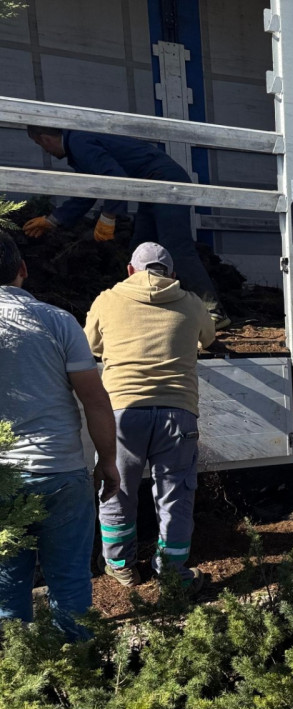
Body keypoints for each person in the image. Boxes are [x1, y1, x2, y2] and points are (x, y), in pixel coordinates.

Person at [0, 234, 119, 638]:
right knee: (70, 582)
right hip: (60, 471)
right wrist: (107, 460)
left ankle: (19, 680)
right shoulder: (58, 321)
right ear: (23, 270)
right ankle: (78, 671)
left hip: (3, 478)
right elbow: (95, 401)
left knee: (7, 587)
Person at [85, 242, 215, 592]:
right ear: (171, 274)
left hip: (121, 415)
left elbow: (91, 346)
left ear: (131, 271)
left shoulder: (107, 300)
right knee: (175, 495)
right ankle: (172, 573)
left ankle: (121, 567)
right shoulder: (191, 302)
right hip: (178, 414)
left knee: (116, 489)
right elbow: (209, 338)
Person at [22, 126, 229, 329]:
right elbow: (89, 189)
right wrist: (54, 220)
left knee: (176, 246)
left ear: (44, 139)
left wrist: (109, 215)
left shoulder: (79, 142)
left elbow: (115, 176)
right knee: (140, 248)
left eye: (39, 144)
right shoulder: (79, 144)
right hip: (151, 187)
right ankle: (148, 307)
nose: (44, 150)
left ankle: (213, 311)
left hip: (166, 184)